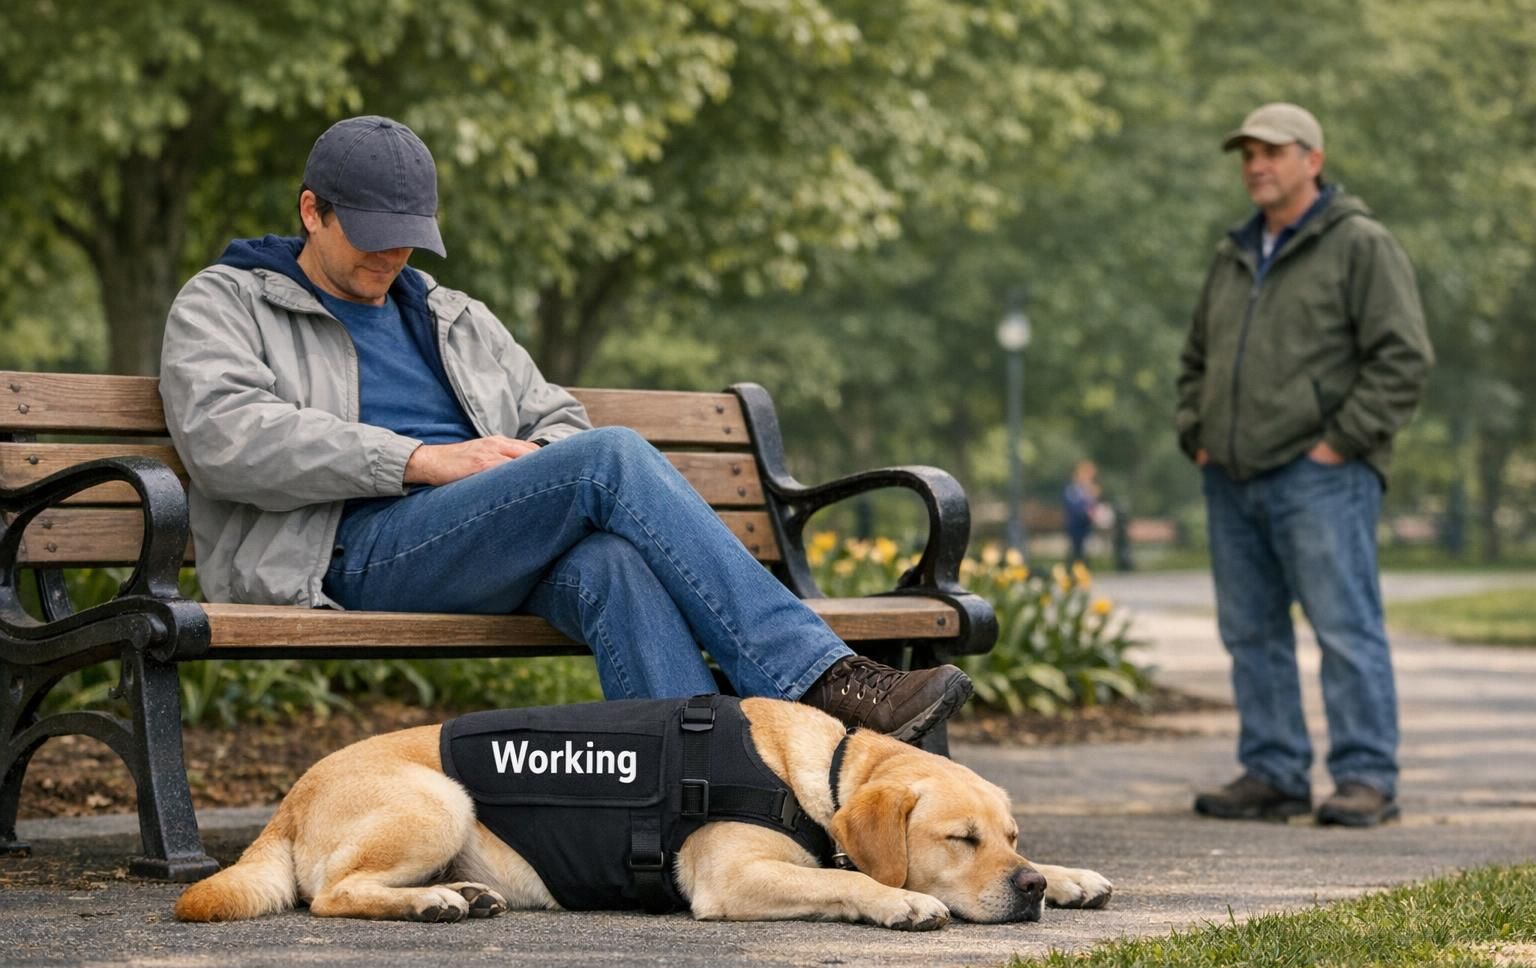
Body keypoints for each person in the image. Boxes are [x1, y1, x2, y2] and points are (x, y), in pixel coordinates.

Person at [158, 116, 972, 741]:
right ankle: (817, 674)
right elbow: (227, 437)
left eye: (409, 236)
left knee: (611, 562)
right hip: (343, 552)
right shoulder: (229, 302)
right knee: (609, 458)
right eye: (372, 236)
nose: (393, 255)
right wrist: (421, 461)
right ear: (312, 212)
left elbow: (555, 417)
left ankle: (709, 798)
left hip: (483, 539)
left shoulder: (452, 316)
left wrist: (526, 463)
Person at [1174, 103, 1433, 827]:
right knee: (1250, 631)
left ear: (1312, 159)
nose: (1256, 164)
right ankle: (1274, 771)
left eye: (1273, 151)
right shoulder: (1233, 253)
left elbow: (1403, 358)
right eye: (1248, 152)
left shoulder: (1360, 244)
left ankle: (1366, 777)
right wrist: (1196, 432)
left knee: (1345, 626)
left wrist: (1340, 443)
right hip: (1231, 474)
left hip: (1322, 474)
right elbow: (1197, 357)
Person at [1061, 459, 1101, 565]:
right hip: (1075, 523)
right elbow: (1072, 505)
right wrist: (1084, 511)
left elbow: (1093, 505)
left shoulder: (1090, 489)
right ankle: (1074, 567)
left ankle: (1082, 566)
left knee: (1085, 547)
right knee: (1076, 547)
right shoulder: (1073, 489)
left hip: (1086, 523)